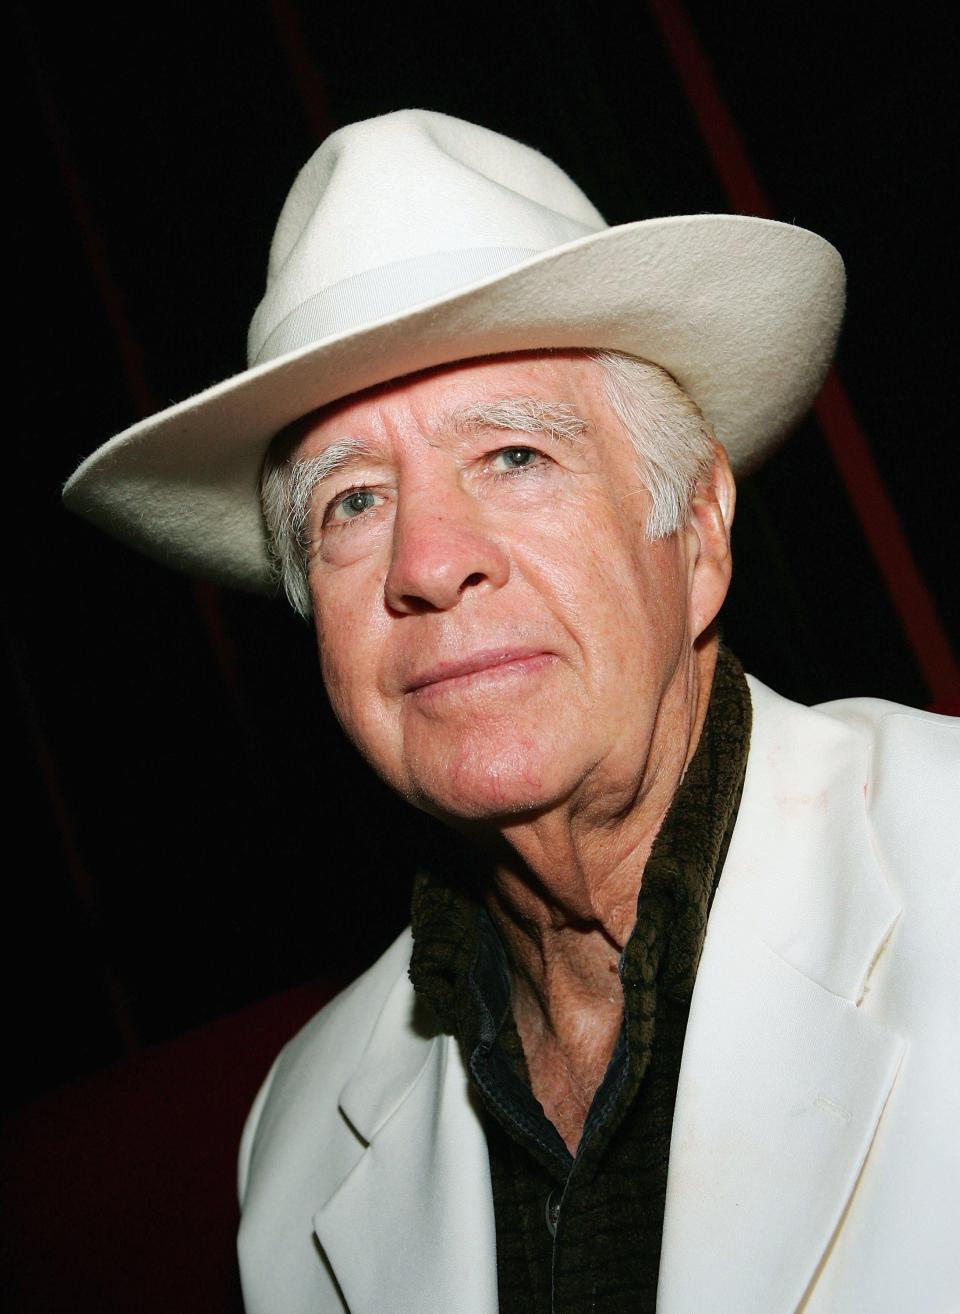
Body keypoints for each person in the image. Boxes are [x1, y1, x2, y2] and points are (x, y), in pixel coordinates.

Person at [63, 110, 958, 1314]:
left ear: (695, 533)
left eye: (515, 458)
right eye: (354, 504)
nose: (425, 561)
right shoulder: (297, 1145)